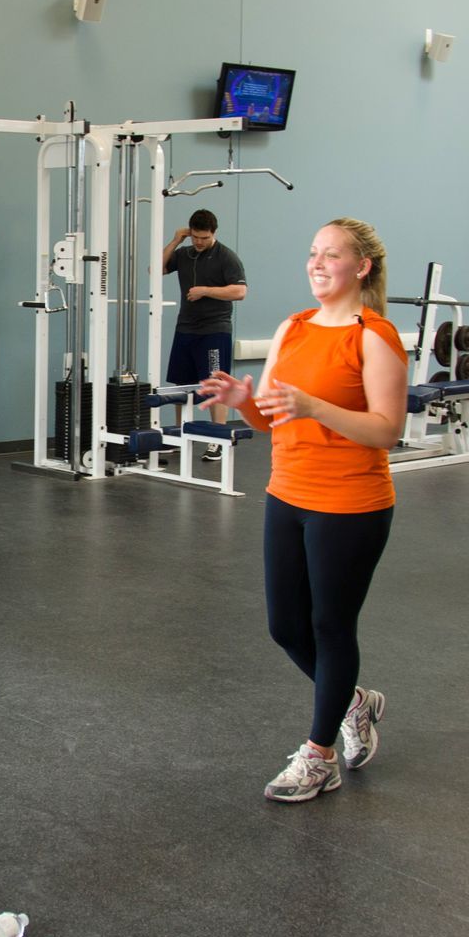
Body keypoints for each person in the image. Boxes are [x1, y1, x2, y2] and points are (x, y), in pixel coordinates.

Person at [195, 218, 406, 804]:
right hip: (287, 494)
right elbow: (273, 419)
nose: (317, 263)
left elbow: (387, 431)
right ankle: (355, 702)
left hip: (351, 503)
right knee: (284, 626)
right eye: (312, 253)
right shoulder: (294, 327)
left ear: (360, 267)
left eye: (331, 255)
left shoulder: (374, 336)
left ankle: (320, 756)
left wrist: (315, 404)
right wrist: (244, 404)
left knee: (330, 626)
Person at [161, 209, 248, 459]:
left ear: (214, 233)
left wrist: (205, 291)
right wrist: (177, 239)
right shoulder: (185, 252)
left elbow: (240, 292)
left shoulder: (226, 257)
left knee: (215, 385)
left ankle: (216, 439)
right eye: (195, 237)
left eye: (205, 238)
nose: (199, 242)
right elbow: (156, 269)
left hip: (214, 330)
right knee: (181, 384)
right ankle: (180, 434)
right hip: (186, 328)